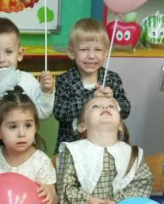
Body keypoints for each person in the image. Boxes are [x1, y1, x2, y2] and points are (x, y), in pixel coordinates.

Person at [0, 18, 54, 156]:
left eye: (8, 52)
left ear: (19, 54)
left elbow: (43, 113)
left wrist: (46, 92)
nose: (1, 59)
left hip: (25, 153)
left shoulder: (28, 81)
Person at [54, 18, 130, 152]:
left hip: (106, 148)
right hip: (72, 150)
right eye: (84, 49)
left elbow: (126, 110)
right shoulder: (64, 80)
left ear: (106, 53)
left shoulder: (112, 79)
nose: (91, 56)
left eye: (98, 49)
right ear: (71, 52)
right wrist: (91, 99)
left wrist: (113, 101)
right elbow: (59, 112)